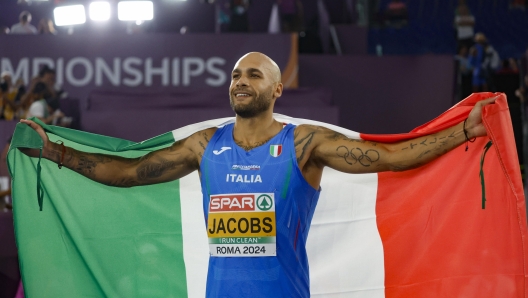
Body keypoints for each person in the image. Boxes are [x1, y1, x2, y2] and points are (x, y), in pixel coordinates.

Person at [19, 52, 496, 297]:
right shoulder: (206, 145)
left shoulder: (304, 144)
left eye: (252, 74)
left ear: (277, 88)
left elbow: (390, 158)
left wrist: (463, 133)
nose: (240, 81)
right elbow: (126, 172)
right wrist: (54, 150)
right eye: (234, 75)